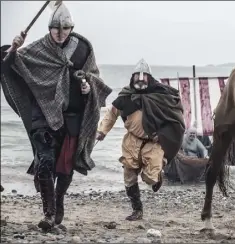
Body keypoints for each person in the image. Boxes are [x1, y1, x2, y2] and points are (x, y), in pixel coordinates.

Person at [0, 2, 112, 231]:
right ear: (49, 28)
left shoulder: (83, 48)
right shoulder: (39, 48)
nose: (60, 33)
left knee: (65, 167)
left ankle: (59, 200)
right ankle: (49, 214)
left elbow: (94, 76)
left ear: (71, 27)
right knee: (46, 161)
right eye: (55, 29)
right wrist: (14, 48)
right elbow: (9, 66)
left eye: (65, 29)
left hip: (72, 115)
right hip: (43, 112)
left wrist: (88, 88)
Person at [96, 58, 185, 221]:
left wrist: (164, 135)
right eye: (137, 77)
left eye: (144, 77)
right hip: (132, 140)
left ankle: (158, 174)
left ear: (149, 78)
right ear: (133, 78)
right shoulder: (126, 96)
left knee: (149, 178)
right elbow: (112, 114)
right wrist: (102, 131)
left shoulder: (162, 95)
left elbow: (174, 118)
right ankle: (137, 210)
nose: (140, 80)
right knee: (129, 177)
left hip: (154, 143)